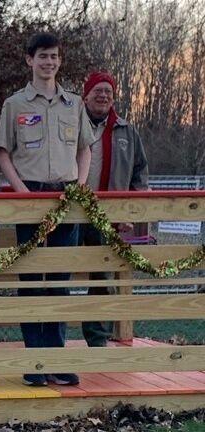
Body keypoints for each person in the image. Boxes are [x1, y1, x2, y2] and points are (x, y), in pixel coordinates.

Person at [0, 32, 93, 387]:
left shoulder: (74, 103)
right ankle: (34, 361)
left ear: (59, 60)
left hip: (65, 198)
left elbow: (85, 148)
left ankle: (56, 358)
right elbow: (3, 151)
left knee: (61, 281)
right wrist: (21, 192)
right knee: (32, 280)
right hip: (30, 195)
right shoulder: (15, 104)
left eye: (53, 56)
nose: (48, 62)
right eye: (42, 56)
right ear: (29, 60)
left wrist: (79, 187)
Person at [79, 71, 149, 347]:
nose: (103, 95)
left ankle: (97, 339)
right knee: (57, 273)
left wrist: (131, 210)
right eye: (98, 90)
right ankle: (53, 339)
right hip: (70, 211)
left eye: (108, 91)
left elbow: (140, 172)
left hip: (107, 215)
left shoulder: (126, 130)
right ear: (86, 95)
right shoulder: (71, 125)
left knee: (102, 278)